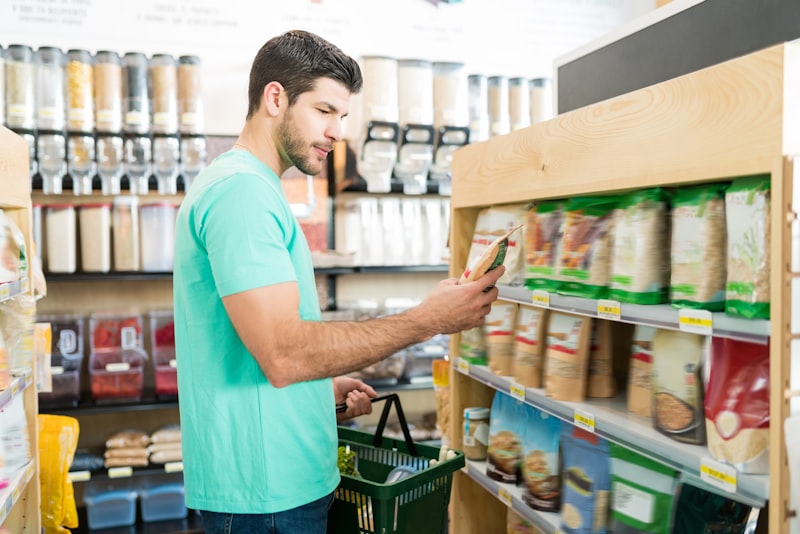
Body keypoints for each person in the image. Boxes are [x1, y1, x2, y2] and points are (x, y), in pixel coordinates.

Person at [172, 29, 503, 534]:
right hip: (264, 495)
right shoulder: (241, 193)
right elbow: (283, 355)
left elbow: (263, 349)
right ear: (276, 98)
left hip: (281, 482)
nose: (337, 131)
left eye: (343, 116)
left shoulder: (254, 187)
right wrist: (426, 321)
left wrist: (320, 390)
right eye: (324, 111)